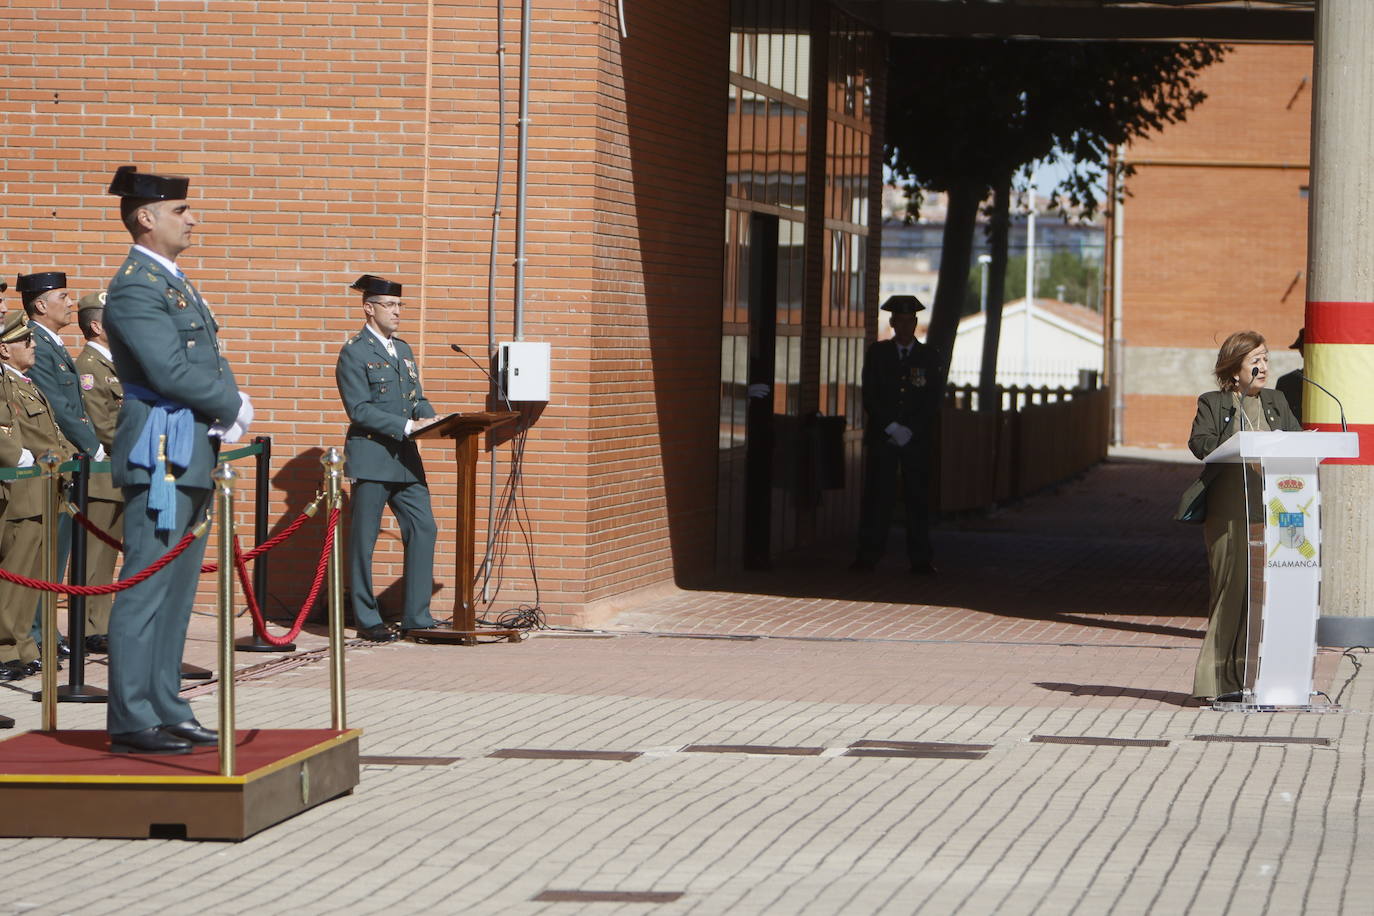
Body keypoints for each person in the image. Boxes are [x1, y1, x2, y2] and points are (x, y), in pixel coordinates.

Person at [103, 165, 253, 755]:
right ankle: (131, 717)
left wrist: (227, 406)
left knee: (176, 592)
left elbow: (205, 355)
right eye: (180, 210)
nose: (193, 219)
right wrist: (231, 404)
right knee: (146, 587)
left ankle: (165, 704)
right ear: (146, 217)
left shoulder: (173, 282)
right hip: (159, 451)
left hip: (189, 447)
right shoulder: (137, 286)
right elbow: (167, 370)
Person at [1187, 331, 1302, 702]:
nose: (1263, 367)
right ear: (1235, 368)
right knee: (1231, 590)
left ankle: (1254, 680)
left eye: (1266, 359)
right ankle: (1216, 683)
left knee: (1266, 595)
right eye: (1255, 360)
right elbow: (1200, 443)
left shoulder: (1276, 400)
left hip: (1276, 506)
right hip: (1229, 507)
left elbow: (1297, 439)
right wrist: (1238, 438)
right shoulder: (1214, 402)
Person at [335, 274, 439, 642]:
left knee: (424, 527)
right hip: (372, 456)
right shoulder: (354, 351)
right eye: (390, 305)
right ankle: (367, 619)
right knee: (364, 541)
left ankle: (417, 616)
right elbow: (359, 409)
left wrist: (433, 419)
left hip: (405, 459)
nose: (397, 312)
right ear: (369, 308)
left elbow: (416, 398)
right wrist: (407, 425)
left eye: (399, 305)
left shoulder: (404, 350)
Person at [0, 312, 68, 681]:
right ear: (4, 349)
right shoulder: (6, 383)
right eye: (25, 341)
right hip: (22, 489)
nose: (32, 345)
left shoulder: (25, 383)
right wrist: (22, 457)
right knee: (15, 576)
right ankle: (6, 649)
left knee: (32, 577)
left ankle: (23, 645)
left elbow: (51, 432)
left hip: (42, 486)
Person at [852, 295, 940, 574]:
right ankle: (868, 555)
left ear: (915, 323)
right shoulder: (878, 353)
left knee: (918, 498)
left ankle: (921, 559)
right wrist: (890, 426)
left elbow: (932, 398)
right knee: (878, 496)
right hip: (884, 436)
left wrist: (911, 429)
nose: (904, 327)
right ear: (891, 323)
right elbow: (870, 393)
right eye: (899, 321)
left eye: (909, 321)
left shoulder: (929, 356)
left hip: (916, 439)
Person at [74, 290, 125, 653]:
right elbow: (102, 424)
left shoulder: (114, 363)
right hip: (102, 474)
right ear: (96, 325)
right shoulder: (89, 367)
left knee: (108, 555)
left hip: (119, 471)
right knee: (95, 556)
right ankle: (90, 627)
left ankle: (102, 623)